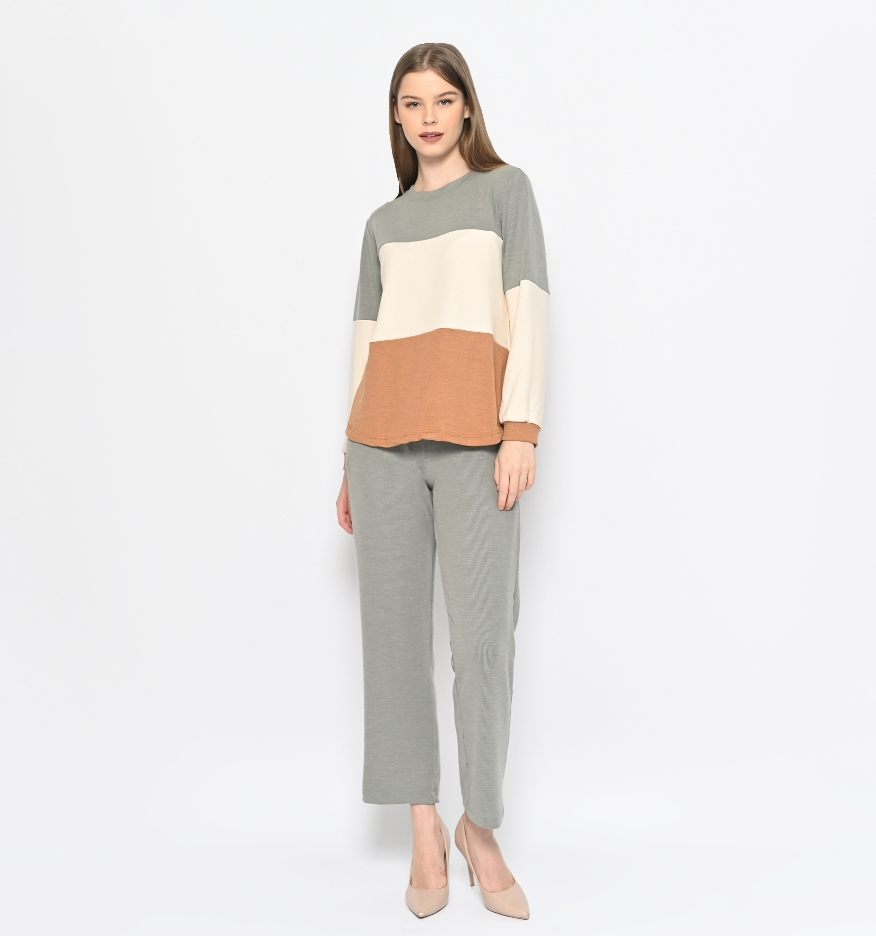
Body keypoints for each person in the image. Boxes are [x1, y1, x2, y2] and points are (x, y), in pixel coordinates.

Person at [335, 42, 548, 920]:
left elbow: (530, 311)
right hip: (379, 446)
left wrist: (519, 430)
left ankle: (478, 827)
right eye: (412, 102)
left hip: (475, 443)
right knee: (392, 644)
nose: (428, 116)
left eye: (443, 99)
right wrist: (345, 461)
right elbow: (365, 342)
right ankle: (424, 829)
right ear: (397, 115)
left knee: (483, 644)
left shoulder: (505, 193)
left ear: (467, 107)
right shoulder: (382, 224)